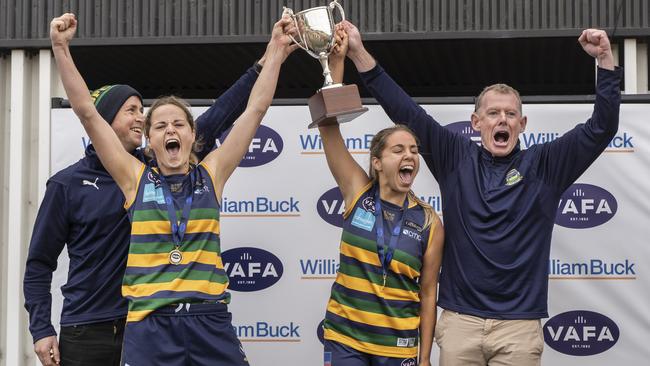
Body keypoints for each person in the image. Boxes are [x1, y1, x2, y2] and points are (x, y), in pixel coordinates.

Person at [338, 21, 620, 366]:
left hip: (518, 328)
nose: (502, 119)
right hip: (460, 323)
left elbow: (602, 127)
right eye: (493, 113)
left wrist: (605, 61)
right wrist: (358, 52)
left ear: (522, 124)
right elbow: (406, 111)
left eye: (510, 114)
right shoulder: (455, 157)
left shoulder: (546, 165)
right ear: (476, 122)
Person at [28, 12, 295, 366]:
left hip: (208, 320)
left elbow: (255, 108)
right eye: (161, 125)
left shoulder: (211, 174)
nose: (171, 130)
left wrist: (275, 51)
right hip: (149, 323)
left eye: (179, 124)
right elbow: (88, 114)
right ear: (149, 142)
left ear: (191, 136)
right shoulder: (135, 178)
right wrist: (60, 47)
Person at [318, 28, 444, 366]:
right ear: (377, 162)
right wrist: (337, 62)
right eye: (399, 149)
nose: (410, 156)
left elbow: (428, 292)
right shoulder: (358, 192)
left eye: (414, 151)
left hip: (398, 349)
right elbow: (329, 128)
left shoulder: (429, 221)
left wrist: (425, 357)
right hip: (346, 340)